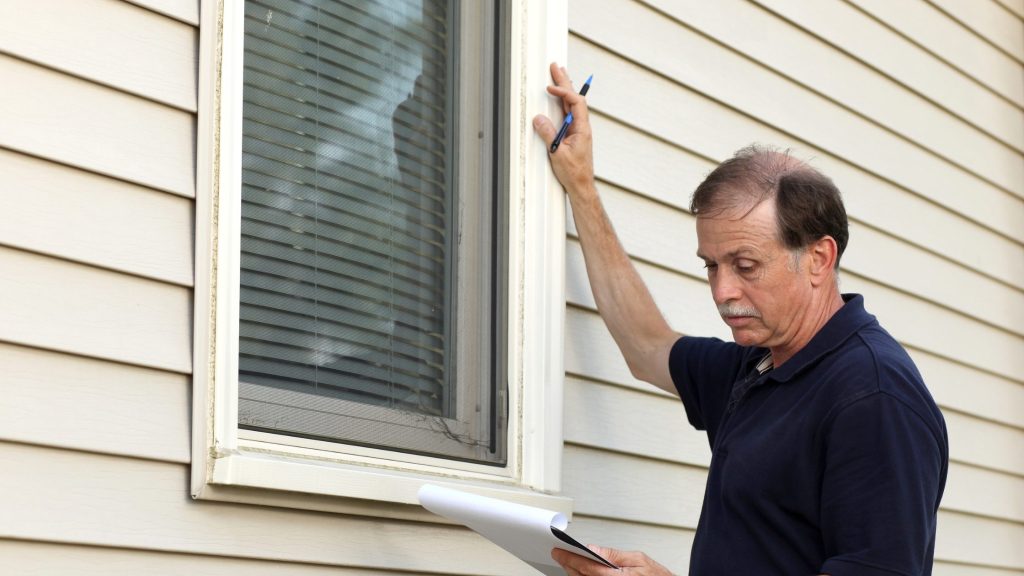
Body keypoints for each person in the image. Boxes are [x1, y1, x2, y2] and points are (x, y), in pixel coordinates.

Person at [532, 63, 949, 575]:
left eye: (746, 266)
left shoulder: (873, 397)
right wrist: (582, 189)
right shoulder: (758, 367)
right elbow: (646, 346)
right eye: (712, 266)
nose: (724, 292)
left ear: (819, 258)